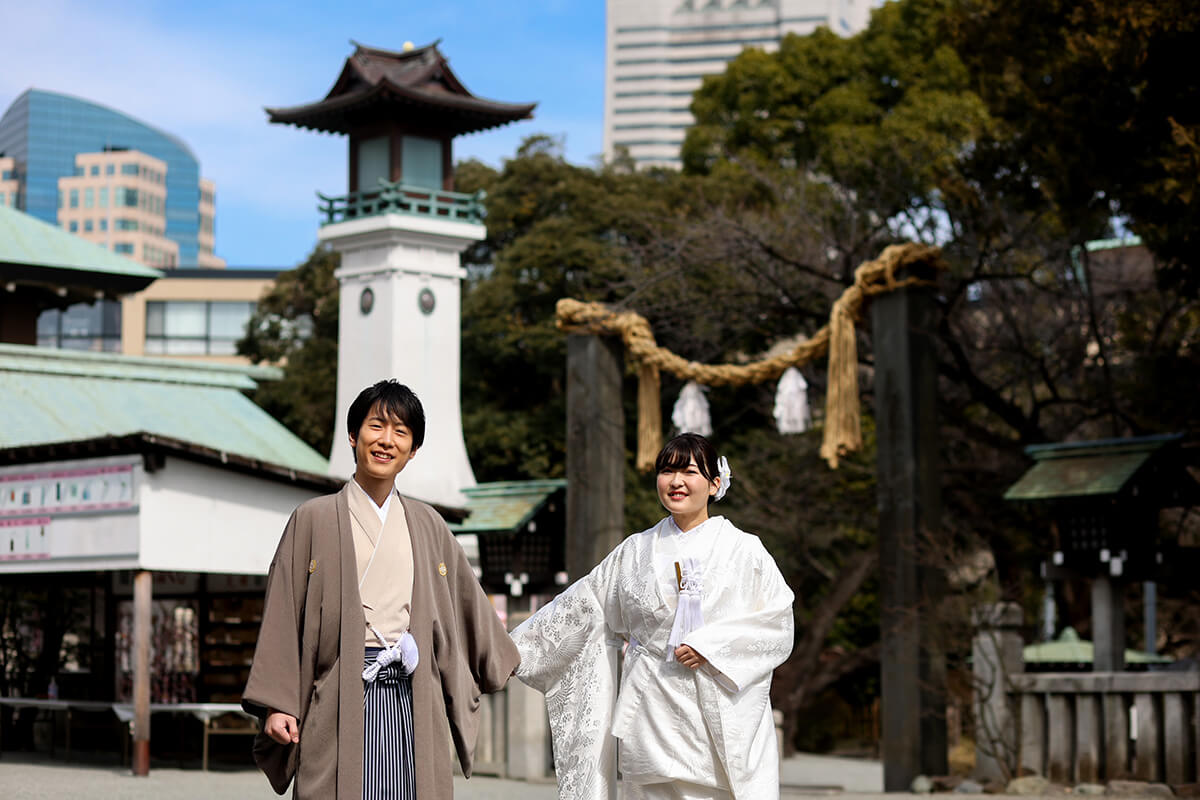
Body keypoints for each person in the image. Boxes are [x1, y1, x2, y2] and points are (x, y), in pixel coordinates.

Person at [242, 380, 519, 800]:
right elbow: (283, 612)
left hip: (412, 696)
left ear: (412, 452)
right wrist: (278, 702)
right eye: (376, 427)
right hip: (335, 695)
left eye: (401, 432)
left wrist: (528, 654)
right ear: (353, 436)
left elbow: (469, 606)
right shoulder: (312, 519)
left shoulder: (428, 524)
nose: (386, 440)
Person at [511, 433, 795, 800]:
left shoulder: (745, 550)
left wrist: (712, 646)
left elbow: (777, 623)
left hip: (721, 718)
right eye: (667, 471)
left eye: (690, 472)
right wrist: (507, 648)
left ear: (715, 484)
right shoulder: (634, 551)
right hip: (651, 711)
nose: (676, 482)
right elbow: (584, 607)